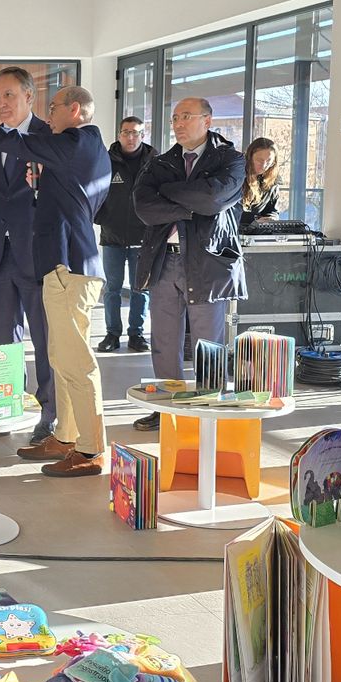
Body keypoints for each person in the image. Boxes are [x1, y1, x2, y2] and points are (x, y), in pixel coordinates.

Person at [0, 87, 113, 477]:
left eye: (53, 107)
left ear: (75, 110)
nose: (48, 114)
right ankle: (67, 436)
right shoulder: (78, 149)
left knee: (76, 363)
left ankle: (92, 450)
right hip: (62, 266)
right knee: (61, 359)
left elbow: (15, 140)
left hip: (71, 267)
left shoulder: (77, 141)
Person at [132, 97, 247, 432]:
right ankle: (167, 410)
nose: (178, 124)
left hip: (208, 262)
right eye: (174, 118)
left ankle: (208, 409)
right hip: (163, 260)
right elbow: (144, 207)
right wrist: (190, 206)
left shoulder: (230, 160)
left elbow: (212, 199)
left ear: (207, 120)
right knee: (164, 341)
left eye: (186, 116)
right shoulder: (161, 162)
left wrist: (169, 192)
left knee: (208, 342)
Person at [0, 67, 57, 443]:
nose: (2, 103)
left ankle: (49, 414)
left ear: (29, 96)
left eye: (10, 95)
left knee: (46, 340)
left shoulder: (49, 138)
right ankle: (3, 407)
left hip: (37, 254)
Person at [94, 116, 154, 353]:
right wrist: (101, 219)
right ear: (119, 135)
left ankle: (136, 334)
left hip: (144, 237)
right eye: (126, 132)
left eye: (135, 133)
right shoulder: (106, 160)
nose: (130, 137)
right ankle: (112, 334)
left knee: (141, 289)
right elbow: (96, 191)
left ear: (142, 135)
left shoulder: (154, 162)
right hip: (113, 237)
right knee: (112, 289)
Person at [241, 137, 281, 226]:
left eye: (269, 161)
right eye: (259, 160)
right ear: (249, 157)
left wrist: (271, 218)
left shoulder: (273, 181)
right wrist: (254, 220)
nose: (264, 165)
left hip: (257, 231)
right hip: (233, 230)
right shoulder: (236, 176)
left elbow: (272, 210)